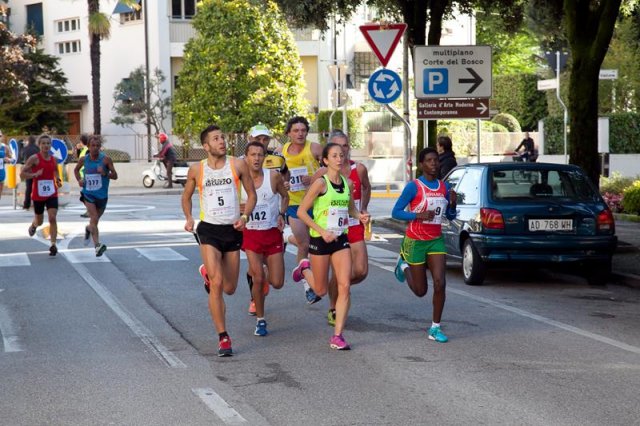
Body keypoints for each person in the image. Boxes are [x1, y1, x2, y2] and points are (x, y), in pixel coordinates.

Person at [181, 124, 256, 357]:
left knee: (230, 288)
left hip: (232, 229)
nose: (222, 141)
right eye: (216, 139)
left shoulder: (237, 164)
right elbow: (186, 197)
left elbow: (251, 194)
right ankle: (223, 337)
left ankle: (207, 273)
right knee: (217, 283)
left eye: (222, 137)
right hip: (209, 230)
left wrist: (245, 216)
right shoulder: (197, 170)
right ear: (206, 146)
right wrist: (189, 217)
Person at [297, 143, 369, 350]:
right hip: (320, 240)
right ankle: (304, 269)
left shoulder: (347, 183)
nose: (339, 158)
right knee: (320, 290)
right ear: (326, 161)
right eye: (334, 155)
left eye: (342, 155)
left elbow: (351, 210)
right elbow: (302, 212)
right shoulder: (321, 183)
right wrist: (321, 232)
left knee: (344, 285)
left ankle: (338, 336)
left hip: (340, 239)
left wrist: (360, 216)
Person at [391, 147, 457, 343]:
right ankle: (402, 264)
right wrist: (417, 215)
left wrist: (453, 204)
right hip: (416, 241)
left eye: (436, 160)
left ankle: (435, 328)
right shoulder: (414, 186)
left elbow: (449, 216)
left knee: (440, 282)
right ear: (421, 164)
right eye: (429, 160)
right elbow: (396, 212)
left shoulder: (443, 187)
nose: (434, 164)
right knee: (421, 291)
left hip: (435, 240)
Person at [311, 130, 371, 327]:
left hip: (352, 225)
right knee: (336, 278)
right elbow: (314, 202)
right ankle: (334, 307)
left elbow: (366, 187)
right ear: (328, 156)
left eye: (344, 147)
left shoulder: (358, 170)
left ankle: (340, 285)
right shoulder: (321, 175)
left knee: (361, 271)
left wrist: (362, 210)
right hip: (328, 231)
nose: (341, 152)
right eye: (336, 149)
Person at [239, 141, 289, 336]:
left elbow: (286, 197)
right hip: (251, 234)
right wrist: (239, 210)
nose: (257, 158)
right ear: (246, 157)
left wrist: (281, 214)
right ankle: (260, 319)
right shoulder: (239, 180)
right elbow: (231, 203)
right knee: (258, 278)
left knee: (277, 282)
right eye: (253, 154)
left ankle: (265, 269)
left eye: (260, 155)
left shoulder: (273, 176)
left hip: (271, 233)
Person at [276, 116, 324, 305]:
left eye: (303, 130)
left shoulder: (315, 148)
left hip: (317, 203)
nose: (300, 134)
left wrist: (312, 179)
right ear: (288, 133)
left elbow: (329, 170)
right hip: (294, 204)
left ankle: (287, 238)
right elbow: (275, 177)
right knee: (305, 245)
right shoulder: (281, 152)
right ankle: (308, 287)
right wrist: (284, 184)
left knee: (316, 244)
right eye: (296, 131)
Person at [73, 135, 118, 257]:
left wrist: (105, 173)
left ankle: (88, 229)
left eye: (98, 146)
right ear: (88, 146)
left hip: (102, 196)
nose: (95, 148)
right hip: (88, 194)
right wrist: (79, 180)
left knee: (94, 222)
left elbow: (115, 175)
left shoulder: (106, 160)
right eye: (93, 145)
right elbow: (76, 170)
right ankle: (97, 246)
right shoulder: (84, 160)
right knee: (94, 217)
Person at [21, 134, 63, 256]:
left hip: (52, 193)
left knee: (52, 218)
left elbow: (55, 172)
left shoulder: (53, 159)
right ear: (39, 145)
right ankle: (34, 225)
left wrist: (58, 182)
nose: (46, 145)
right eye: (43, 143)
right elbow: (22, 174)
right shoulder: (34, 158)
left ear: (50, 145)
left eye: (48, 143)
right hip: (38, 194)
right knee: (39, 221)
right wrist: (34, 175)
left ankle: (53, 245)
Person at [21, 135, 39, 209]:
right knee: (37, 187)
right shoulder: (37, 148)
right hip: (37, 170)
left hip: (28, 171)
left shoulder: (25, 148)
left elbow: (21, 157)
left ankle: (26, 204)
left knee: (28, 188)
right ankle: (37, 203)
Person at [0, 129, 14, 202]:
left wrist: (9, 160)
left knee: (0, 189)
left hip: (1, 171)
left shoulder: (5, 147)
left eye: (0, 136)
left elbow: (10, 157)